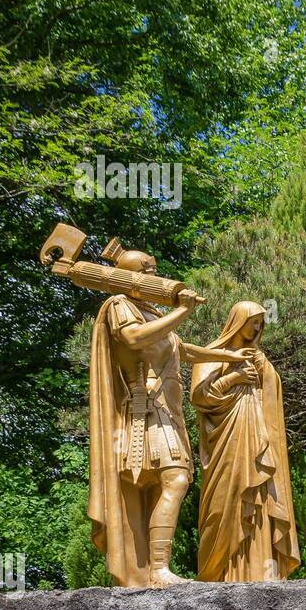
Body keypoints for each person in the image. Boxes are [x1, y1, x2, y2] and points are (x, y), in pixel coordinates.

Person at [87, 247, 247, 587]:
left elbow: (181, 349)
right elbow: (133, 338)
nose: (157, 276)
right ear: (130, 275)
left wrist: (228, 355)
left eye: (156, 269)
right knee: (172, 479)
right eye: (148, 270)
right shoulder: (119, 306)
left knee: (159, 486)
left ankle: (147, 571)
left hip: (163, 412)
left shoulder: (149, 312)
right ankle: (156, 570)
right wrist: (183, 311)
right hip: (142, 412)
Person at [191, 301, 300, 583]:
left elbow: (271, 395)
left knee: (261, 495)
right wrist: (234, 377)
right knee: (225, 501)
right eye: (253, 321)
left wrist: (265, 372)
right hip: (228, 440)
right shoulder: (214, 353)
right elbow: (200, 396)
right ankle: (221, 573)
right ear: (237, 321)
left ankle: (261, 571)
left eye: (261, 323)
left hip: (258, 438)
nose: (257, 328)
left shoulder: (260, 357)